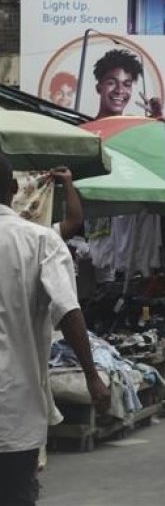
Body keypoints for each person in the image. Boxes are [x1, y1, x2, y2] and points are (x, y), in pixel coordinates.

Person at [0, 152, 110, 504]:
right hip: (12, 407)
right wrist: (92, 376)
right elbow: (68, 310)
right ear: (14, 188)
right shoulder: (39, 240)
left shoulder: (42, 238)